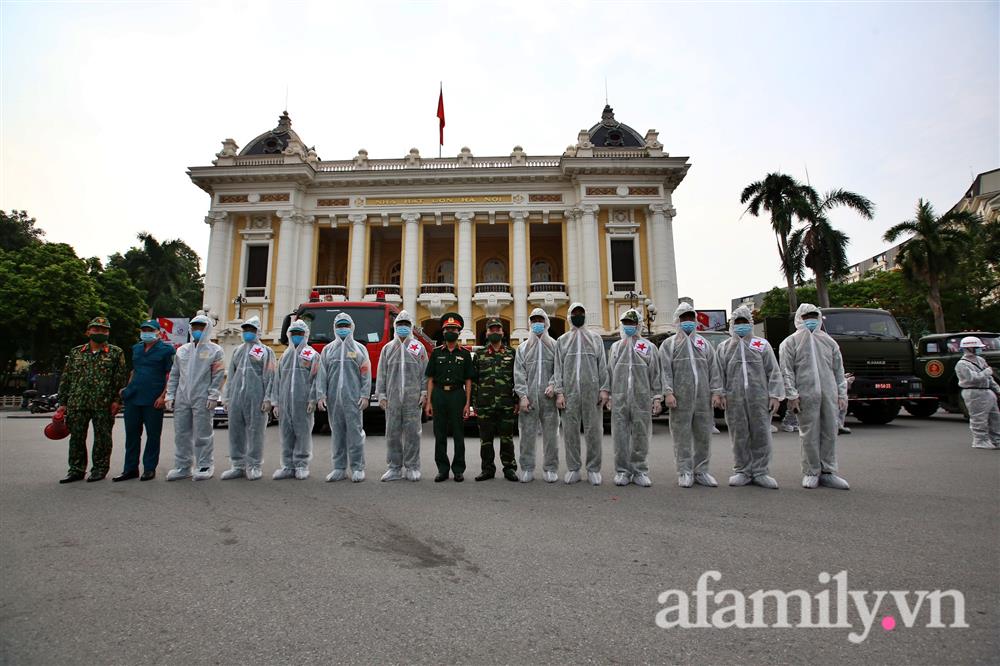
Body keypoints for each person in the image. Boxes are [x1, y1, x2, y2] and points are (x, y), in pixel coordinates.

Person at [710, 306, 784, 489]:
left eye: (744, 322)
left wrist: (775, 395)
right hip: (734, 399)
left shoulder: (761, 345)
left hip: (759, 398)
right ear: (732, 325)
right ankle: (742, 470)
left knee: (761, 434)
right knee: (739, 435)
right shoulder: (724, 347)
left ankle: (761, 472)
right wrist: (719, 393)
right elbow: (718, 373)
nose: (741, 326)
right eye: (738, 322)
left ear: (750, 323)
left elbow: (773, 371)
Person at [779, 304, 850, 489]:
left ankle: (828, 472)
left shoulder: (829, 342)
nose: (810, 319)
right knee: (808, 434)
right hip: (806, 396)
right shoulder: (790, 343)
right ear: (799, 319)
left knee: (830, 432)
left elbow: (838, 371)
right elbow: (786, 371)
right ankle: (811, 472)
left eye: (813, 316)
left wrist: (842, 394)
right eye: (806, 316)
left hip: (829, 395)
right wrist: (792, 395)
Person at [55, 316, 127, 483]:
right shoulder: (76, 352)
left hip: (103, 403)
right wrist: (62, 403)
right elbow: (66, 378)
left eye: (104, 330)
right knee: (77, 438)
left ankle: (100, 469)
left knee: (103, 438)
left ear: (108, 333)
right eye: (96, 329)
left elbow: (120, 380)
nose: (100, 332)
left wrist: (117, 401)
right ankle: (76, 469)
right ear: (88, 332)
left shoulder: (116, 353)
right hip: (77, 402)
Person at [660, 303, 718, 488]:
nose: (688, 322)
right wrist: (668, 392)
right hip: (680, 399)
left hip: (703, 398)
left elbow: (713, 369)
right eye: (684, 318)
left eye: (690, 318)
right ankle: (684, 470)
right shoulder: (669, 345)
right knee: (681, 435)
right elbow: (665, 371)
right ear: (677, 320)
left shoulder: (704, 343)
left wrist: (716, 391)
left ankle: (701, 471)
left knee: (703, 435)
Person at [553, 302, 609, 485]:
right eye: (575, 313)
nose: (578, 316)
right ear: (569, 316)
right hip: (569, 393)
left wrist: (604, 389)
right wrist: (559, 392)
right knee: (570, 432)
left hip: (591, 392)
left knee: (594, 430)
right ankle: (574, 468)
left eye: (581, 313)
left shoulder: (595, 339)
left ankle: (593, 469)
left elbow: (602, 366)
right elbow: (558, 369)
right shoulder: (562, 340)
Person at [165, 314, 225, 481]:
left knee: (202, 433)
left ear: (207, 328)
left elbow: (218, 375)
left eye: (201, 327)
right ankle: (183, 466)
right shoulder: (182, 350)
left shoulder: (215, 351)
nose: (197, 330)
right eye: (194, 327)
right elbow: (175, 374)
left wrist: (214, 395)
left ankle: (204, 465)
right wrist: (170, 394)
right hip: (183, 396)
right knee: (181, 433)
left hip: (203, 397)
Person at [113, 319, 175, 482]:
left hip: (153, 398)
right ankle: (130, 468)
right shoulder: (137, 348)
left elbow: (171, 375)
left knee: (153, 435)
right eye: (144, 329)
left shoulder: (166, 350)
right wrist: (127, 388)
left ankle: (149, 468)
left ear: (158, 332)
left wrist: (164, 396)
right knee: (132, 434)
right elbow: (135, 370)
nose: (146, 332)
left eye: (150, 330)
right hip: (133, 396)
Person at [607, 309, 662, 487]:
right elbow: (609, 373)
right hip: (620, 398)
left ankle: (640, 471)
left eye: (631, 323)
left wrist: (656, 398)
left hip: (641, 398)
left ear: (638, 324)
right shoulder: (616, 347)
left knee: (641, 435)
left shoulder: (648, 347)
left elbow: (655, 374)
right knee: (620, 436)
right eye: (625, 323)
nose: (628, 326)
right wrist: (608, 395)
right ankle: (622, 471)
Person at [220, 316, 276, 481]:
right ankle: (237, 465)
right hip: (237, 397)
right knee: (236, 432)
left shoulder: (266, 351)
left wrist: (268, 398)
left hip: (256, 397)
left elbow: (270, 376)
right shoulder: (237, 350)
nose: (247, 333)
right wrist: (227, 397)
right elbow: (231, 375)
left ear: (258, 331)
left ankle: (254, 465)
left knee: (255, 432)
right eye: (245, 330)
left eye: (251, 330)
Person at [317, 312, 372, 482]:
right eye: (340, 326)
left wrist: (365, 395)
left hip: (353, 398)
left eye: (345, 326)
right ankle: (339, 468)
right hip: (334, 399)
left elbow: (366, 374)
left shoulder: (359, 349)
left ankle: (357, 468)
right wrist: (321, 395)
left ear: (352, 327)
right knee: (337, 433)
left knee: (355, 433)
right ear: (334, 328)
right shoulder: (328, 350)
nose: (343, 329)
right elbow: (322, 374)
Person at [376, 310, 428, 481]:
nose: (403, 328)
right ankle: (394, 468)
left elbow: (424, 373)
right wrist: (381, 394)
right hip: (392, 398)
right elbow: (382, 373)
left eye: (406, 324)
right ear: (395, 326)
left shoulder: (418, 347)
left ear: (411, 326)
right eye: (400, 324)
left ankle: (412, 467)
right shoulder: (388, 348)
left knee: (413, 433)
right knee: (392, 433)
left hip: (413, 399)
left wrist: (423, 392)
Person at [425, 313, 473, 482]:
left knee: (459, 434)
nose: (450, 331)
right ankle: (442, 469)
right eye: (447, 329)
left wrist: (468, 403)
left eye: (453, 329)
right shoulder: (437, 353)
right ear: (443, 332)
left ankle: (458, 469)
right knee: (440, 434)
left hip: (457, 395)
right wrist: (429, 402)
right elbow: (430, 379)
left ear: (459, 332)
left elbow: (468, 380)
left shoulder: (465, 354)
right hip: (439, 394)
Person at [514, 308, 560, 483]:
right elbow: (519, 373)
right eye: (534, 320)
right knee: (526, 435)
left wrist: (553, 384)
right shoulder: (523, 347)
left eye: (540, 320)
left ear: (546, 323)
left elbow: (560, 368)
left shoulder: (555, 346)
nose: (537, 324)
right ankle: (527, 468)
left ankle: (550, 468)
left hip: (549, 399)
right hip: (530, 399)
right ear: (530, 324)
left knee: (551, 436)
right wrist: (523, 396)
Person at [272, 320, 320, 479]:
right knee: (286, 434)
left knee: (302, 433)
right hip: (285, 402)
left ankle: (301, 465)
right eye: (294, 334)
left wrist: (313, 399)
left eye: (300, 334)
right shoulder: (285, 355)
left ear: (305, 335)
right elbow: (277, 380)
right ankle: (287, 466)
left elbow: (316, 378)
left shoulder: (311, 354)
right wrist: (276, 402)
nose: (296, 337)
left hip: (302, 401)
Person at [473, 318, 519, 482]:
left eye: (497, 329)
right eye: (491, 330)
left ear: (502, 332)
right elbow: (475, 379)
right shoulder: (479, 354)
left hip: (506, 404)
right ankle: (487, 469)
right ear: (487, 333)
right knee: (486, 440)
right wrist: (474, 403)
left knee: (507, 439)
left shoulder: (511, 353)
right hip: (485, 405)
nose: (494, 332)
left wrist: (517, 401)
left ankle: (509, 468)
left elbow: (516, 379)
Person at [955, 336, 1000, 449]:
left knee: (995, 417)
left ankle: (996, 440)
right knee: (979, 418)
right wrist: (986, 372)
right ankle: (980, 441)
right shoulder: (962, 364)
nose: (980, 349)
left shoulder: (980, 360)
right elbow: (972, 379)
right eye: (977, 347)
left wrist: (997, 389)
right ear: (969, 348)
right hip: (974, 392)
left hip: (987, 391)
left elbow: (990, 378)